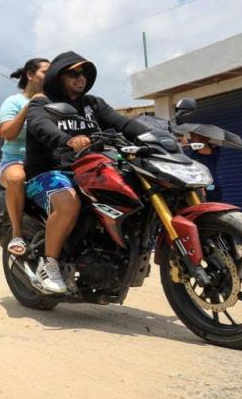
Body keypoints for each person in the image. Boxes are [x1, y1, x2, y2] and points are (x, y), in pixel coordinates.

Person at [21, 51, 149, 293]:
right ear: (58, 75)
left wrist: (153, 138)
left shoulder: (93, 105)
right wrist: (67, 140)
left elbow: (123, 123)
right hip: (49, 173)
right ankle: (49, 265)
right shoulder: (42, 102)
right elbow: (40, 125)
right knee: (68, 203)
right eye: (74, 73)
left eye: (85, 74)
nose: (81, 78)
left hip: (89, 171)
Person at [0, 57, 51, 257]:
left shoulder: (53, 102)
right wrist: (29, 107)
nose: (51, 75)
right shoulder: (14, 102)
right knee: (16, 178)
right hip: (15, 162)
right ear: (30, 75)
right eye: (46, 71)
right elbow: (8, 133)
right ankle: (17, 234)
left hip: (47, 163)